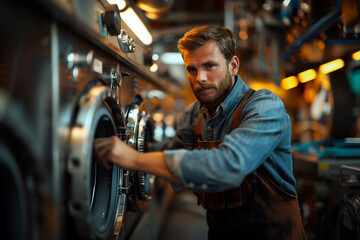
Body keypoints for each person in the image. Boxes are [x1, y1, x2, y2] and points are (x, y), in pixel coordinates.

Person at [94, 25, 307, 239]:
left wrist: (133, 160)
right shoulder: (193, 115)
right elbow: (166, 153)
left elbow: (230, 166)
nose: (200, 78)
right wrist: (115, 145)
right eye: (192, 69)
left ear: (233, 66)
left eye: (209, 66)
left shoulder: (265, 107)